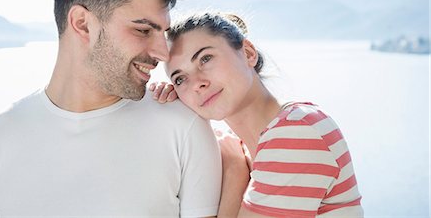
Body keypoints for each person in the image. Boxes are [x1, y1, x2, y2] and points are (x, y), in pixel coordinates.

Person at [0, 0, 222, 217]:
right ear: (82, 24)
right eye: (143, 30)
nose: (162, 53)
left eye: (163, 33)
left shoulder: (185, 129)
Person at [151, 12, 364, 217]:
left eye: (205, 59)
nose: (197, 83)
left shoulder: (298, 131)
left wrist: (235, 171)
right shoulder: (240, 147)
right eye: (180, 79)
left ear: (248, 53)